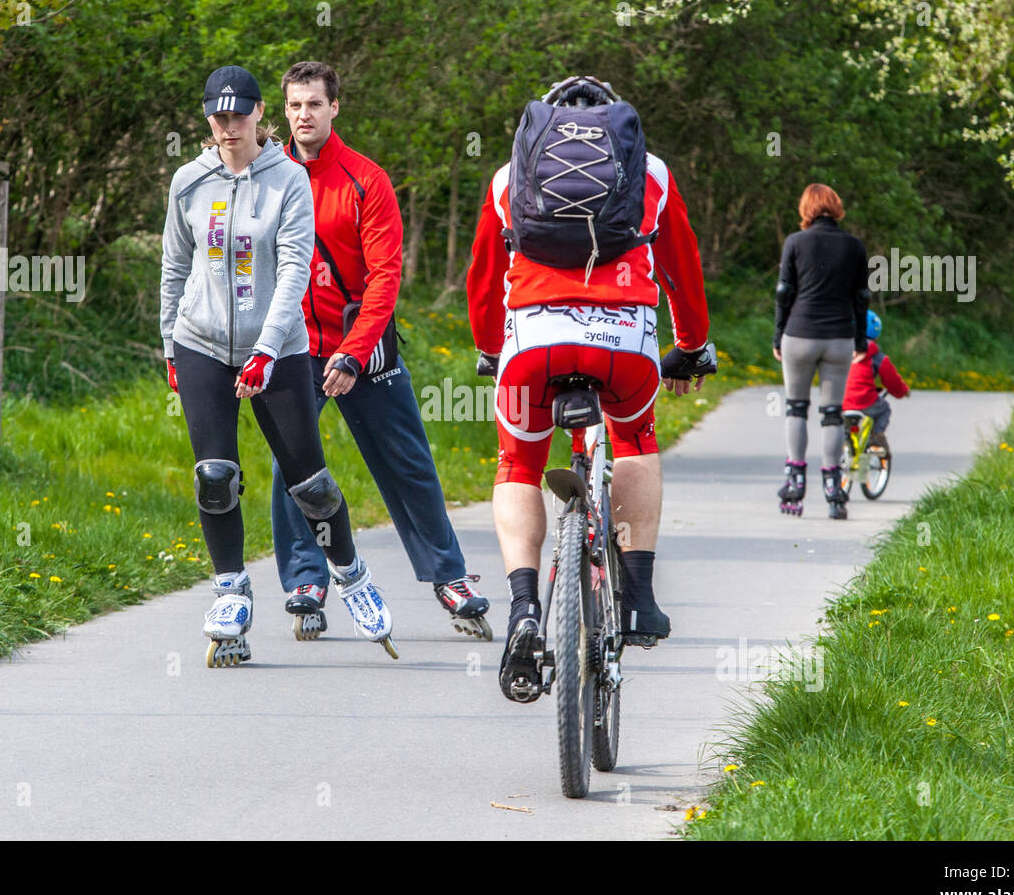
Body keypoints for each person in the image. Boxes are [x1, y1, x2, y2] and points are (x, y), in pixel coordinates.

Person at [466, 75, 713, 703]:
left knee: (519, 463)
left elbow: (483, 277)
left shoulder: (509, 177)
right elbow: (682, 266)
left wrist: (492, 351)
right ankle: (640, 599)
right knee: (634, 441)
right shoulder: (650, 172)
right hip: (624, 345)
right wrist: (691, 347)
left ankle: (524, 607)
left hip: (533, 347)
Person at [159, 64, 396, 665]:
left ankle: (350, 573)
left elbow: (294, 268)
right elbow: (173, 266)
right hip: (202, 342)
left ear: (261, 114)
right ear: (207, 118)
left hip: (281, 348)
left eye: (240, 116)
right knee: (215, 476)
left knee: (309, 485)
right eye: (219, 117)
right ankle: (231, 591)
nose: (229, 127)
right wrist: (169, 345)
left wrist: (267, 348)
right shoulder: (189, 180)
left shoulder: (288, 179)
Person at [270, 61, 491, 642]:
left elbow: (385, 277)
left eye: (314, 104)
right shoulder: (268, 178)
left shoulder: (367, 180)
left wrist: (353, 352)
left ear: (334, 107)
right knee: (293, 465)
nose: (303, 116)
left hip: (362, 347)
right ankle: (307, 581)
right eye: (294, 106)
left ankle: (450, 577)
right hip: (296, 348)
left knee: (408, 461)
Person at [772, 183, 869, 520]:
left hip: (799, 333)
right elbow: (861, 298)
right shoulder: (854, 246)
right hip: (839, 337)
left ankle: (795, 481)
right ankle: (833, 487)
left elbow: (784, 293)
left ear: (806, 209)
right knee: (832, 412)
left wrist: (777, 336)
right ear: (836, 206)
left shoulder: (795, 243)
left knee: (796, 408)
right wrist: (859, 341)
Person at [842, 309, 910, 452]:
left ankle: (842, 446)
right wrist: (902, 392)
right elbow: (891, 381)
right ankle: (876, 438)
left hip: (841, 400)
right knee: (884, 409)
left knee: (841, 425)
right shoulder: (876, 355)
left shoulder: (840, 350)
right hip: (864, 400)